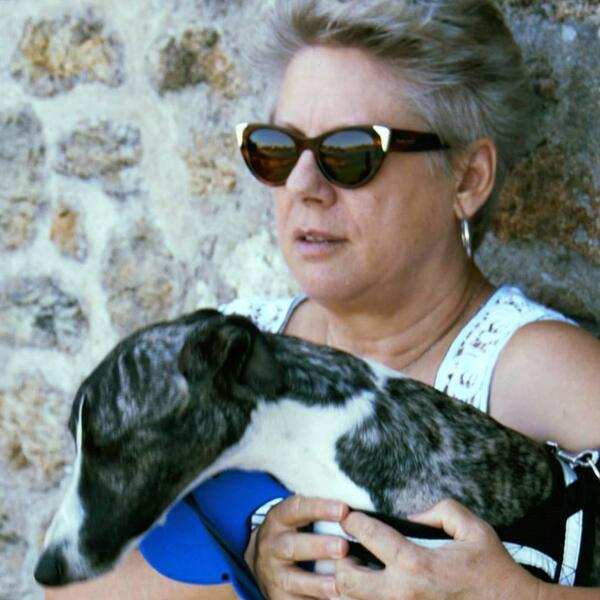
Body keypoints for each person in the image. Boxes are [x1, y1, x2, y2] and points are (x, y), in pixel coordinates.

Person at [44, 0, 600, 599]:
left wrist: (520, 595)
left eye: (350, 154)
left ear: (467, 178)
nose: (302, 185)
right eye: (277, 149)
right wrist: (248, 567)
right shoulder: (221, 358)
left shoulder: (540, 372)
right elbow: (71, 586)